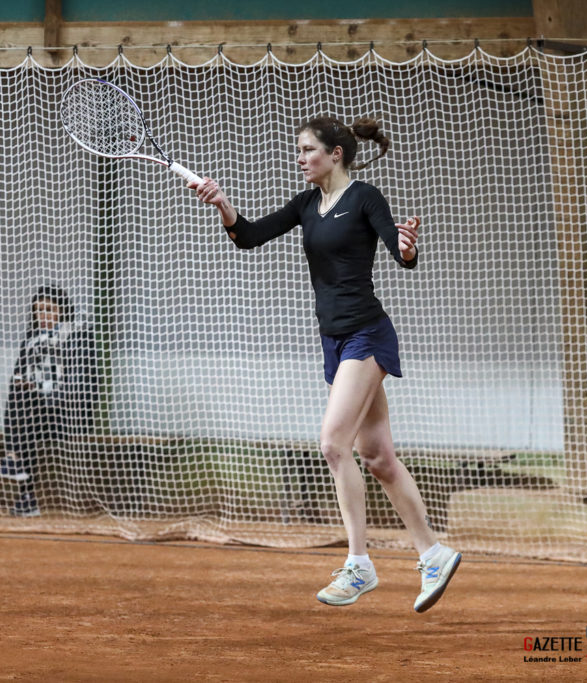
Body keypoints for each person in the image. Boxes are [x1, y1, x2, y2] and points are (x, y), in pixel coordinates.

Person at [189, 115, 461, 612]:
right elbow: (250, 237)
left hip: (367, 335)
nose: (300, 158)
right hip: (334, 343)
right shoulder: (307, 204)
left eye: (308, 149)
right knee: (377, 457)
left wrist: (407, 247)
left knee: (333, 446)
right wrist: (224, 205)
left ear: (336, 153)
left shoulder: (365, 196)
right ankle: (434, 553)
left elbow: (400, 253)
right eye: (299, 149)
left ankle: (359, 563)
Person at [0, 286, 97, 517]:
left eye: (49, 309)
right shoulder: (32, 340)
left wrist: (40, 387)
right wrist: (28, 385)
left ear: (63, 311)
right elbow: (18, 377)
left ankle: (14, 461)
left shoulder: (78, 336)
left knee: (25, 416)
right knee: (21, 400)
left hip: (71, 412)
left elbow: (78, 385)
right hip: (37, 413)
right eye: (38, 310)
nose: (43, 315)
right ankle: (25, 491)